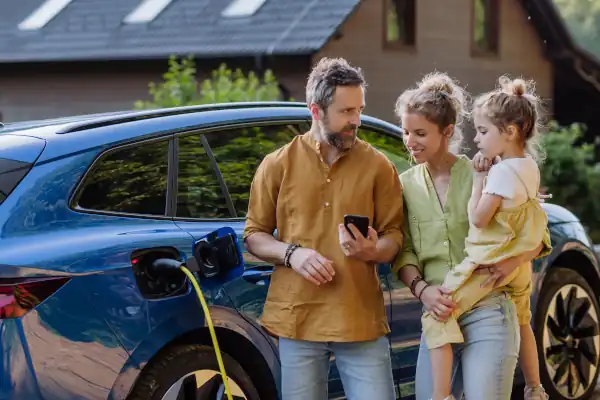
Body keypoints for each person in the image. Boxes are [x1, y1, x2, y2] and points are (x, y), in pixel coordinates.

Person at [243, 57, 404, 400]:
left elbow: (395, 237)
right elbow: (254, 236)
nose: (356, 120)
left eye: (358, 109)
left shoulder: (379, 167)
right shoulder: (277, 165)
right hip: (297, 321)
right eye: (346, 112)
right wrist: (292, 254)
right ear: (316, 110)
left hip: (359, 319)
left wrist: (373, 250)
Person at [392, 72, 551, 400]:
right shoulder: (404, 185)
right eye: (407, 132)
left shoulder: (486, 172)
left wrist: (511, 263)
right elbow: (404, 251)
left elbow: (533, 231)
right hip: (439, 312)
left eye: (420, 133)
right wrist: (423, 291)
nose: (410, 141)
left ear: (447, 132)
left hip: (489, 306)